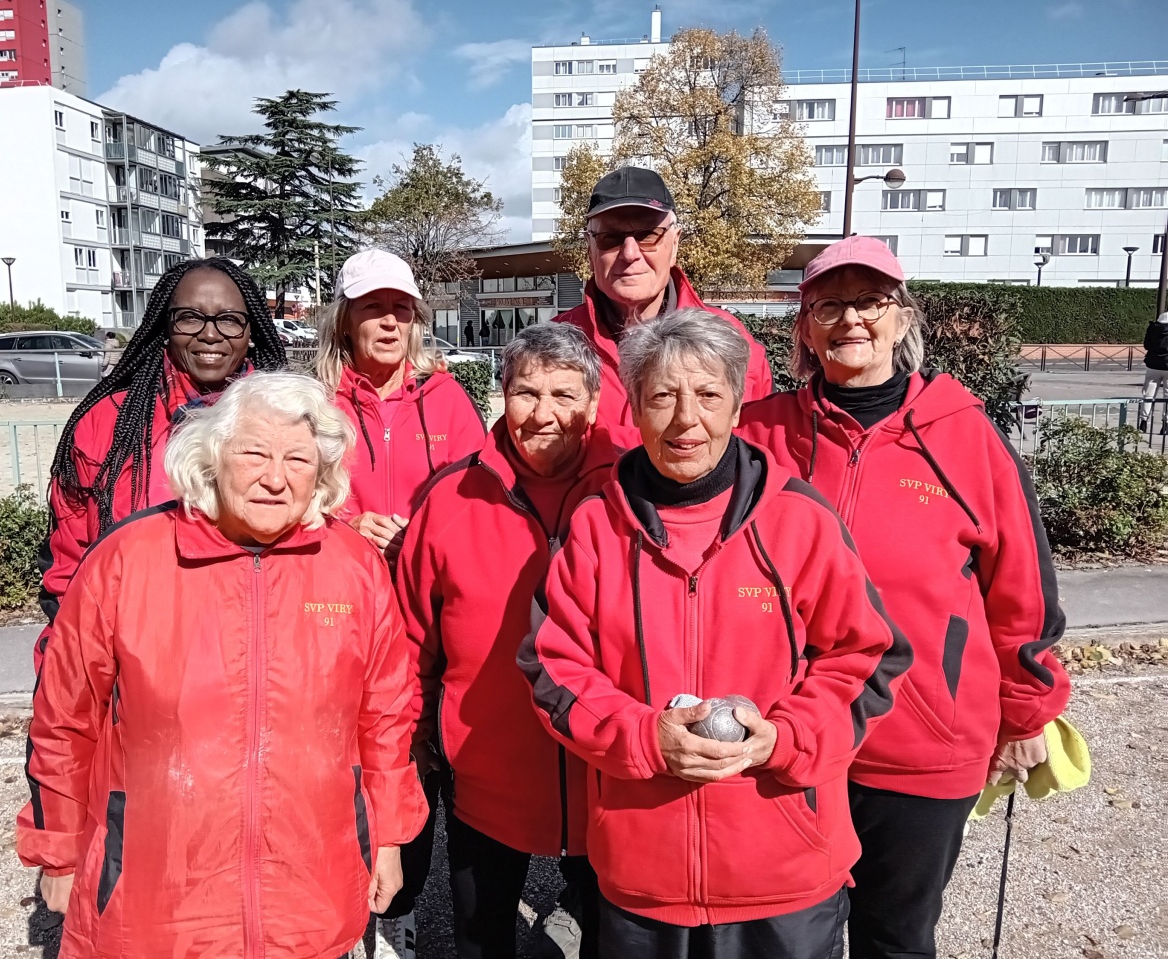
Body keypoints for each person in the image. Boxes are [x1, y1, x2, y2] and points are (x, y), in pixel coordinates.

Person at [521, 310, 912, 959]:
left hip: (785, 874)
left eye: (707, 394)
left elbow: (865, 657)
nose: (686, 419)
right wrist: (643, 736)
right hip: (643, 876)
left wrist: (785, 738)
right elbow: (553, 667)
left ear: (736, 406)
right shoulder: (595, 526)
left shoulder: (798, 520)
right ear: (634, 410)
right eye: (662, 397)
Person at [738, 236, 1072, 959]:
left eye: (870, 301)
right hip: (791, 736)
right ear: (805, 329)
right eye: (829, 305)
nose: (850, 319)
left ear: (902, 318)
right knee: (787, 936)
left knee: (895, 938)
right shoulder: (760, 432)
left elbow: (1022, 587)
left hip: (924, 743)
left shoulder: (966, 435)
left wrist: (1026, 710)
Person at [17, 371, 428, 958]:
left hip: (310, 893)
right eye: (254, 453)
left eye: (298, 459)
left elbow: (385, 717)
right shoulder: (127, 560)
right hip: (155, 901)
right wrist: (58, 850)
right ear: (211, 457)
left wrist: (386, 837)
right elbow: (64, 718)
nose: (276, 478)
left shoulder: (354, 567)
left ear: (323, 474)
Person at [397, 324, 618, 959]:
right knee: (481, 938)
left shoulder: (629, 488)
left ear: (594, 403)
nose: (543, 414)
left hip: (607, 772)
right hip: (485, 774)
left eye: (564, 395)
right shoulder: (451, 497)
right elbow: (411, 638)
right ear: (502, 396)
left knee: (612, 939)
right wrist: (414, 738)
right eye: (526, 393)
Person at [36, 257, 286, 671]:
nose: (210, 334)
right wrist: (74, 657)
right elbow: (68, 559)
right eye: (190, 318)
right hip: (134, 662)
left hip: (255, 665)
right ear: (164, 328)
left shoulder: (289, 422)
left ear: (251, 332)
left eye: (229, 320)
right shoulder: (108, 424)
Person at [555, 167, 772, 448]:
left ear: (675, 243)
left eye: (648, 235)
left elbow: (755, 452)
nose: (630, 254)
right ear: (589, 249)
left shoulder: (732, 341)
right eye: (610, 237)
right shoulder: (553, 345)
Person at [317, 249, 486, 567]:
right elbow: (289, 508)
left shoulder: (448, 398)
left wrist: (422, 536)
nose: (390, 322)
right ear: (344, 322)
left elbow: (479, 503)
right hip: (342, 578)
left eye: (401, 308)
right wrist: (344, 531)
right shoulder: (314, 402)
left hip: (425, 582)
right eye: (372, 307)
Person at [1139, 309, 1168, 434]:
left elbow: (1146, 345)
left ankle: (1143, 421)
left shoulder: (1153, 327)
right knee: (1167, 396)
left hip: (1153, 364)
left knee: (1148, 394)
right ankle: (1165, 425)